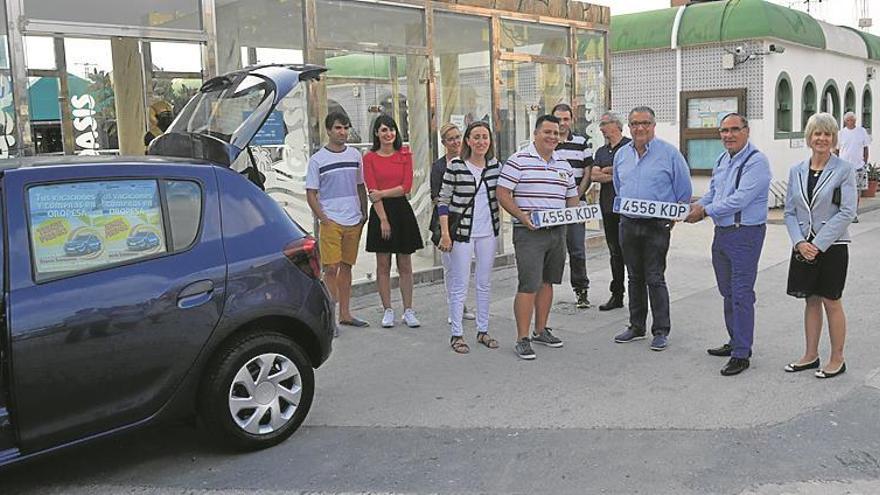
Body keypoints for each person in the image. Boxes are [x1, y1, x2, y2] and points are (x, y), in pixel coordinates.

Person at [685, 113, 771, 376]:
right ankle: (735, 340)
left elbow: (739, 199)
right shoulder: (723, 158)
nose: (728, 135)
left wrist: (705, 211)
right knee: (727, 291)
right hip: (722, 233)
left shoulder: (757, 162)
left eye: (734, 129)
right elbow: (714, 191)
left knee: (742, 293)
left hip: (745, 233)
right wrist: (698, 205)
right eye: (724, 130)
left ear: (747, 131)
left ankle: (742, 354)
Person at [497, 115, 579, 360]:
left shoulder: (563, 164)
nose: (553, 137)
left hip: (557, 231)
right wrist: (523, 217)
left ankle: (541, 330)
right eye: (548, 132)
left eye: (556, 133)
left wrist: (576, 213)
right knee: (529, 284)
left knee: (548, 282)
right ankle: (522, 338)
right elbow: (503, 193)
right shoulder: (518, 159)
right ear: (536, 133)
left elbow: (571, 197)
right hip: (529, 233)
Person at [782, 112, 857, 379]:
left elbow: (848, 211)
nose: (822, 138)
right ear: (809, 137)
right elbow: (789, 212)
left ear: (834, 138)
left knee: (831, 302)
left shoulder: (844, 170)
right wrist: (800, 242)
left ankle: (837, 359)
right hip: (803, 247)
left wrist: (818, 243)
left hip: (832, 246)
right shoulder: (796, 171)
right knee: (810, 301)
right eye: (817, 133)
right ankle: (810, 355)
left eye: (827, 134)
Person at [612, 106, 692, 351]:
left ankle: (660, 330)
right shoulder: (621, 155)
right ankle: (636, 327)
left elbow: (683, 191)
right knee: (634, 276)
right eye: (635, 123)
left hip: (657, 225)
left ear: (653, 126)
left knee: (655, 277)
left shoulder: (669, 154)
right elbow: (618, 186)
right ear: (629, 126)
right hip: (628, 223)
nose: (640, 128)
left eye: (645, 123)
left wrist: (672, 218)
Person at [437, 121, 501, 354]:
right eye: (476, 137)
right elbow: (443, 201)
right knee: (459, 284)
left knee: (484, 283)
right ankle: (457, 334)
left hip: (488, 233)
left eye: (485, 137)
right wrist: (445, 233)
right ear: (468, 141)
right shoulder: (455, 166)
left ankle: (483, 330)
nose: (481, 141)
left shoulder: (496, 166)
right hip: (462, 234)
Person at [306, 112, 370, 332]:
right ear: (328, 130)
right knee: (330, 268)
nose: (342, 132)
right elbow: (311, 193)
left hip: (353, 218)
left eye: (345, 127)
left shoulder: (355, 155)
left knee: (347, 266)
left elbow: (360, 185)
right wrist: (323, 217)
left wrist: (364, 210)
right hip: (331, 219)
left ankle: (345, 313)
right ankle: (330, 318)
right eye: (338, 128)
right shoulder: (317, 160)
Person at [363, 115, 424, 328]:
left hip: (401, 211)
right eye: (383, 130)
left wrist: (381, 193)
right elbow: (371, 192)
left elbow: (405, 187)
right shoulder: (369, 158)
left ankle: (408, 310)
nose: (388, 134)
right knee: (383, 264)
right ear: (376, 134)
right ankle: (388, 309)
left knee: (405, 263)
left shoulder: (404, 155)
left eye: (391, 130)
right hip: (381, 213)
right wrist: (383, 219)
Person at [430, 123, 476, 323]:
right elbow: (437, 197)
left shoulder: (470, 161)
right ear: (443, 143)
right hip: (447, 222)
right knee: (450, 267)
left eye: (458, 137)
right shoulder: (439, 167)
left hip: (469, 222)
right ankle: (455, 306)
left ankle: (461, 301)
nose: (456, 142)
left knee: (464, 267)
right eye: (451, 139)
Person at [552, 103, 594, 309]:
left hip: (576, 205)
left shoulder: (582, 142)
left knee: (577, 249)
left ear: (571, 120)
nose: (562, 123)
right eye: (558, 119)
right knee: (552, 250)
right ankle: (545, 291)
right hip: (552, 207)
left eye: (566, 119)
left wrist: (577, 196)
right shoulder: (546, 142)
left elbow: (588, 171)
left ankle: (581, 290)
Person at [590, 111, 630, 311]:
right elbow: (594, 176)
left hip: (628, 209)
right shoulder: (601, 151)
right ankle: (617, 294)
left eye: (604, 123)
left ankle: (638, 296)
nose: (601, 127)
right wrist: (612, 171)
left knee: (631, 253)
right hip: (607, 207)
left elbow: (629, 172)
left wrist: (609, 171)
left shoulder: (630, 146)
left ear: (616, 125)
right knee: (615, 252)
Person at [835, 111, 870, 223]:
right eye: (849, 120)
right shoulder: (841, 133)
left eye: (853, 120)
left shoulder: (861, 131)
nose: (851, 122)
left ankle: (854, 213)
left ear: (855, 121)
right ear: (845, 121)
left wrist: (864, 162)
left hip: (858, 166)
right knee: (845, 191)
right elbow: (836, 150)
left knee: (857, 191)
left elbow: (865, 148)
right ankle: (844, 213)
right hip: (844, 167)